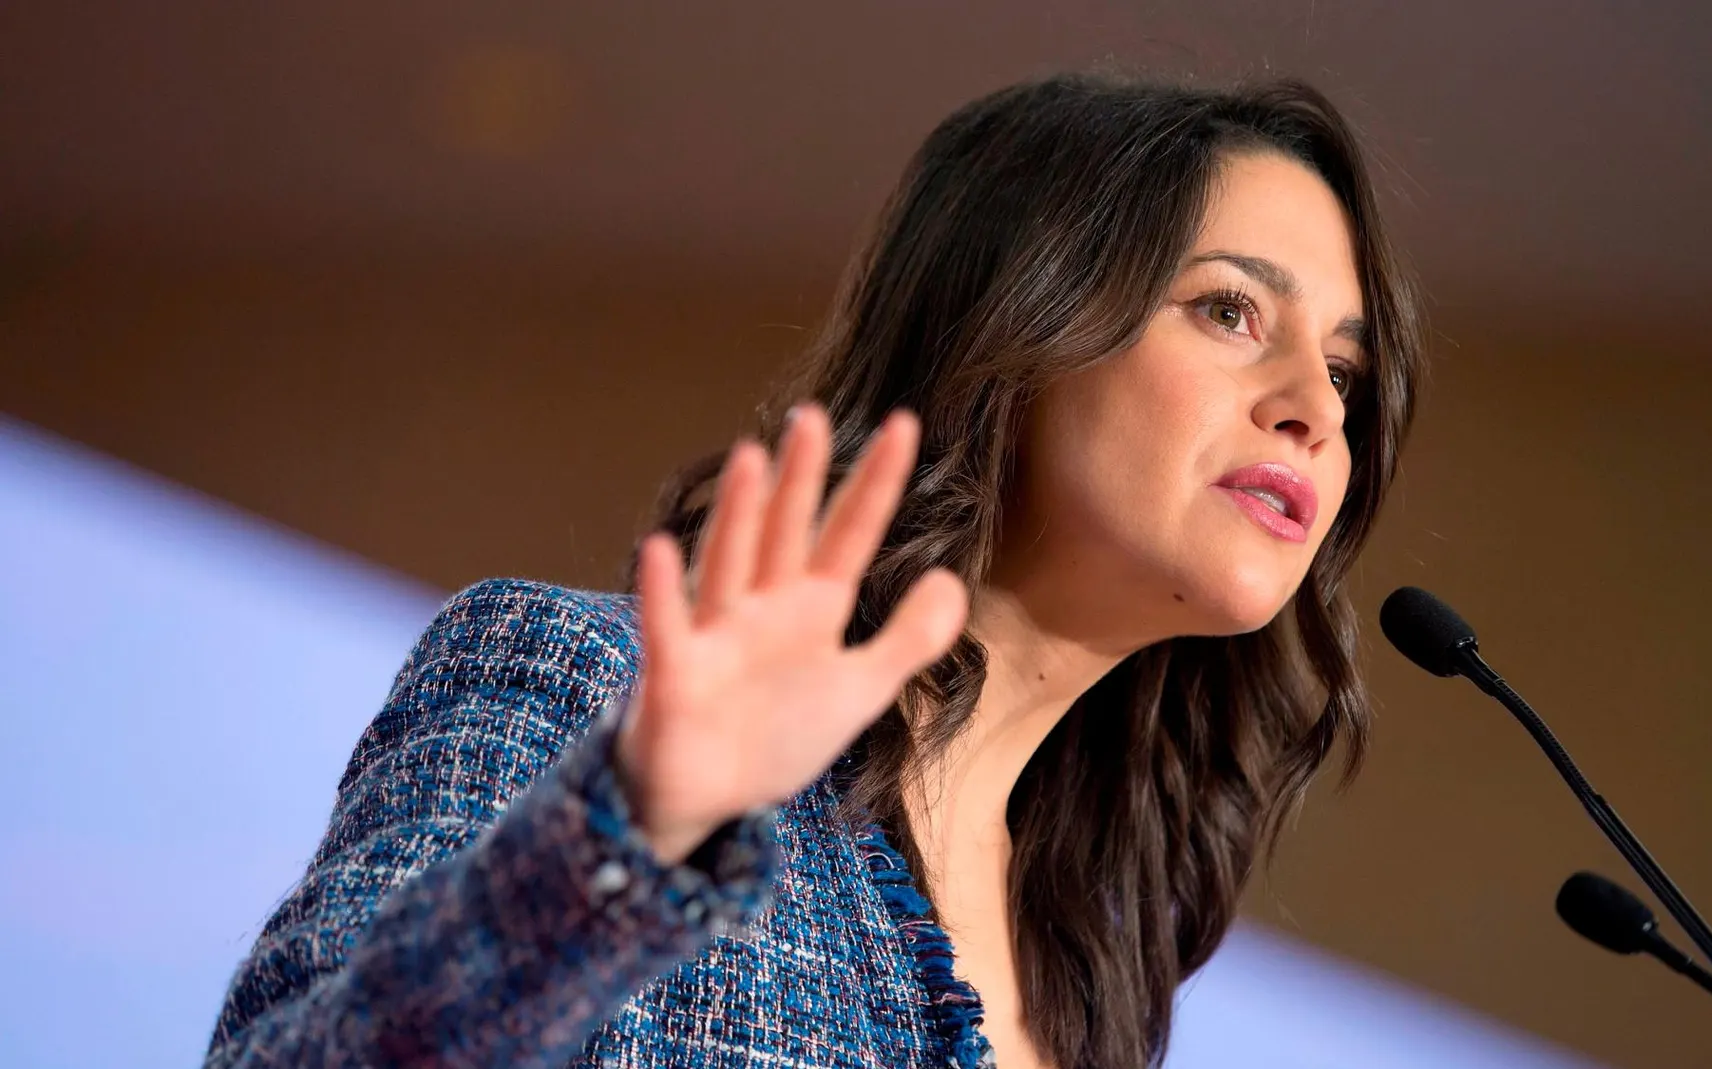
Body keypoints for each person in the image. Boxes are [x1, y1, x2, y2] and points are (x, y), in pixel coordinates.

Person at [204, 73, 1424, 1069]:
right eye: (1228, 312)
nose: (1312, 408)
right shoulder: (590, 693)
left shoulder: (1097, 960)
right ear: (1017, 327)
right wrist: (625, 837)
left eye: (1344, 372)